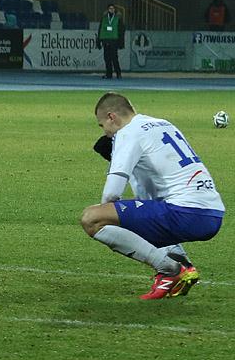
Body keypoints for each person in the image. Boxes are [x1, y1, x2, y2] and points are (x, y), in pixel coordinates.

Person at [81, 93, 225, 300]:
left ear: (112, 117)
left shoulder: (127, 133)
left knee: (92, 218)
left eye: (102, 125)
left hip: (186, 214)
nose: (106, 133)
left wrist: (110, 216)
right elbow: (151, 200)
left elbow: (112, 193)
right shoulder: (162, 124)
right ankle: (182, 264)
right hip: (212, 213)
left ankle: (170, 270)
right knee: (146, 214)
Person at [96, 3, 123, 80]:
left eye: (113, 8)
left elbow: (121, 31)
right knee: (107, 58)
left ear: (115, 9)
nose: (111, 10)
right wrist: (99, 40)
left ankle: (118, 73)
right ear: (108, 9)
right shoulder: (104, 18)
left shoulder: (118, 18)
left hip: (114, 41)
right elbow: (100, 29)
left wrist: (120, 42)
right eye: (110, 8)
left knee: (114, 58)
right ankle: (109, 74)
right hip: (106, 41)